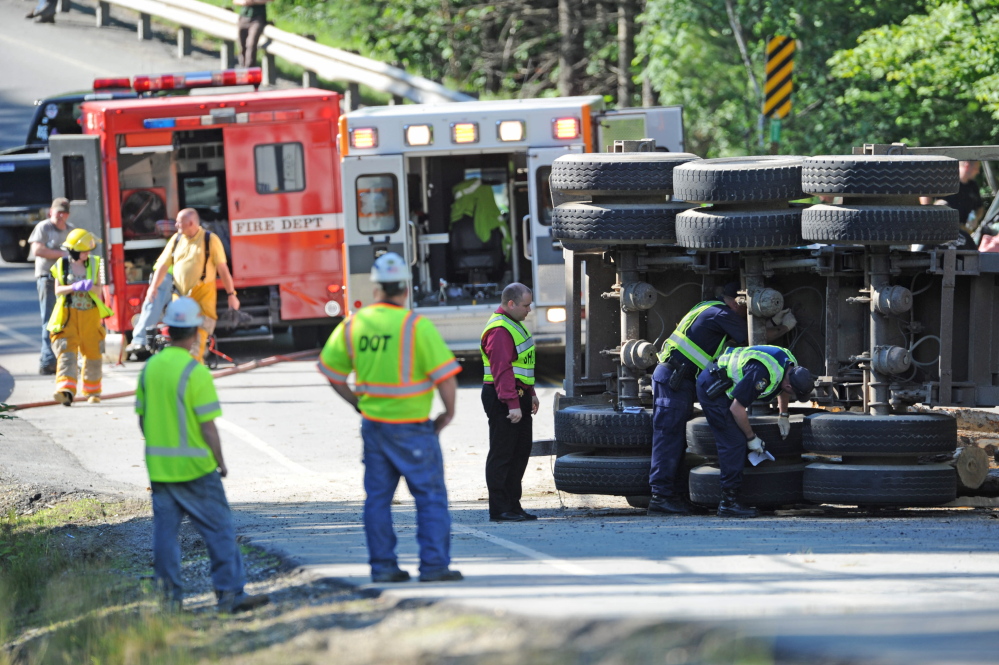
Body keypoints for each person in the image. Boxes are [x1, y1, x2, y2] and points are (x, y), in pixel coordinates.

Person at [318, 253, 463, 584]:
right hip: (413, 427)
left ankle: (383, 566)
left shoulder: (353, 324)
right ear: (405, 290)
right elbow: (445, 377)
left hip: (374, 426)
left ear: (376, 289)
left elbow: (332, 373)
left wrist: (358, 403)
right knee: (429, 497)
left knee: (378, 500)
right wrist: (448, 413)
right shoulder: (415, 326)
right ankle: (434, 566)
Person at [136, 297, 269, 613]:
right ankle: (230, 595)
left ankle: (168, 602)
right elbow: (208, 427)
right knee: (220, 530)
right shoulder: (195, 372)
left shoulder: (149, 368)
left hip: (161, 471)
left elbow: (142, 419)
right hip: (196, 469)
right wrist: (220, 461)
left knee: (165, 539)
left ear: (168, 331)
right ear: (196, 332)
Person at [647, 282, 796, 516]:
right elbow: (754, 339)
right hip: (674, 379)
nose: (745, 314)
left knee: (675, 438)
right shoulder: (720, 313)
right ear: (737, 301)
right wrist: (782, 327)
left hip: (678, 378)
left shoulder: (708, 308)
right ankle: (661, 497)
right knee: (669, 437)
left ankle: (671, 497)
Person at [695, 345, 814, 518]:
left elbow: (783, 388)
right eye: (795, 392)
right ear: (789, 385)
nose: (793, 394)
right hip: (713, 387)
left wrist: (784, 414)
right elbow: (737, 409)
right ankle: (728, 503)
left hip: (726, 384)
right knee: (734, 442)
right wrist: (751, 438)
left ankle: (734, 496)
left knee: (737, 436)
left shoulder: (790, 365)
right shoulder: (762, 374)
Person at [145, 209, 239, 363]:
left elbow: (223, 270)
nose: (175, 225)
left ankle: (193, 372)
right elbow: (162, 265)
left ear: (191, 223)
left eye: (179, 222)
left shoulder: (210, 240)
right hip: (180, 300)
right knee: (179, 342)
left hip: (203, 298)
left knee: (198, 341)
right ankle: (184, 373)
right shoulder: (176, 240)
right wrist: (153, 287)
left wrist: (231, 295)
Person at [480, 283, 539, 523]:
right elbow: (502, 370)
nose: (530, 310)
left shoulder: (514, 325)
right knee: (503, 454)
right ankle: (500, 508)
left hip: (517, 395)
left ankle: (513, 506)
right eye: (526, 305)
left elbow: (521, 365)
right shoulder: (500, 329)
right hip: (504, 397)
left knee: (519, 453)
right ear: (511, 304)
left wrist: (531, 392)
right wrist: (512, 403)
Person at [47, 229, 113, 406]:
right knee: (67, 353)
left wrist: (90, 287)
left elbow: (99, 290)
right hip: (69, 316)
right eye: (84, 251)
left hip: (90, 315)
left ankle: (93, 392)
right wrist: (74, 287)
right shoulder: (62, 265)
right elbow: (58, 290)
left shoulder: (94, 263)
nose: (87, 254)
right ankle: (65, 391)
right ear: (74, 251)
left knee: (93, 353)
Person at [28, 198, 74, 375]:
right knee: (49, 321)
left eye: (64, 212)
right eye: (58, 212)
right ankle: (47, 361)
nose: (60, 216)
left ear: (68, 213)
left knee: (66, 321)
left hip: (66, 281)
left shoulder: (71, 230)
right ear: (51, 211)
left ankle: (64, 359)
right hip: (47, 278)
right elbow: (37, 250)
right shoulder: (44, 227)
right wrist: (63, 254)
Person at [921, 161, 984, 247]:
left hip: (963, 232)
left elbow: (980, 208)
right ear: (967, 165)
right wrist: (928, 213)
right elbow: (925, 193)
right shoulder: (946, 180)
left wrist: (976, 218)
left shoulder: (973, 185)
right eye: (976, 168)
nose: (978, 172)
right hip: (942, 230)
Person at [234, 0, 272, 68]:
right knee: (241, 44)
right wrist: (243, 2)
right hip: (244, 16)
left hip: (257, 18)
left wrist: (253, 1)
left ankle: (249, 69)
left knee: (251, 44)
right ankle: (243, 66)